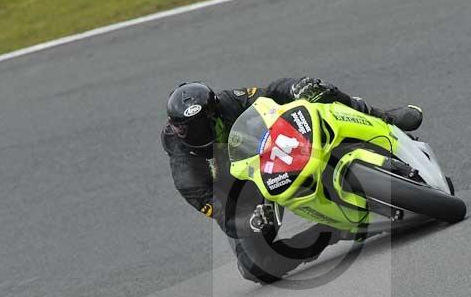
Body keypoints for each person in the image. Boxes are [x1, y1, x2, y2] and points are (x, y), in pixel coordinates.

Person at [161, 77, 423, 283]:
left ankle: (384, 117)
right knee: (255, 266)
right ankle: (331, 231)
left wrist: (296, 87)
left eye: (200, 124)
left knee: (317, 91)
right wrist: (246, 220)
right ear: (175, 127)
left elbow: (271, 92)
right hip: (246, 191)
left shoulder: (229, 101)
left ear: (214, 112)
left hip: (273, 147)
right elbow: (217, 208)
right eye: (185, 128)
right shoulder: (184, 165)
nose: (193, 133)